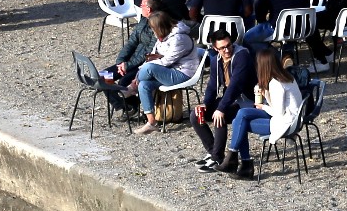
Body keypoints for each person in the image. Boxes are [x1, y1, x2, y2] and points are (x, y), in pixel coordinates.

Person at [223, 48, 302, 180]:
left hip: (285, 123)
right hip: (290, 116)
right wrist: (263, 92)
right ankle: (236, 159)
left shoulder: (276, 83)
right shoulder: (285, 77)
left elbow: (278, 111)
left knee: (240, 122)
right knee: (241, 113)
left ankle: (241, 161)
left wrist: (263, 106)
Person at [126, 11, 201, 135]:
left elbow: (166, 61)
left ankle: (132, 87)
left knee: (149, 67)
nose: (152, 31)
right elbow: (156, 56)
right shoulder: (162, 37)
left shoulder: (179, 38)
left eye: (153, 28)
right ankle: (152, 122)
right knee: (144, 85)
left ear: (160, 27)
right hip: (169, 70)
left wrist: (146, 67)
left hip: (183, 73)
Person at [191, 32, 255, 170]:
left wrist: (220, 108)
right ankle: (213, 152)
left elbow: (235, 85)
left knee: (221, 115)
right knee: (196, 115)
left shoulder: (242, 55)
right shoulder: (216, 60)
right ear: (215, 48)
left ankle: (217, 157)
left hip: (246, 99)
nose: (227, 50)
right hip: (231, 98)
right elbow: (212, 86)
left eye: (229, 45)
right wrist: (205, 104)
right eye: (222, 48)